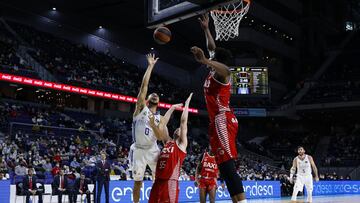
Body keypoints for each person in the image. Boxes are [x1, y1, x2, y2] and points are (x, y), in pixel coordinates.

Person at [191, 13, 246, 203]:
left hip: (224, 118)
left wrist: (205, 61)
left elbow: (226, 70)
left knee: (228, 165)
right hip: (216, 121)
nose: (211, 58)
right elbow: (212, 47)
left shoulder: (222, 74)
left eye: (214, 60)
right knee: (223, 166)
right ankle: (237, 200)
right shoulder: (214, 69)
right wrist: (206, 29)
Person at [130, 53, 165, 203]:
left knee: (159, 180)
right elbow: (144, 86)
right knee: (138, 183)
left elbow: (160, 137)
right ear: (147, 99)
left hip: (153, 149)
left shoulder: (160, 118)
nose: (154, 94)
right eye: (152, 94)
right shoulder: (140, 109)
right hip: (138, 149)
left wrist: (154, 125)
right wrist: (150, 66)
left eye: (157, 95)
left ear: (158, 102)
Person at [148, 93, 192, 203]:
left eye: (180, 129)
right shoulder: (167, 142)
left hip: (170, 181)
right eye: (176, 129)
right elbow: (163, 125)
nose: (178, 129)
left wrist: (186, 105)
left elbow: (183, 122)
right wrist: (171, 108)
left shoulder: (181, 144)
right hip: (158, 181)